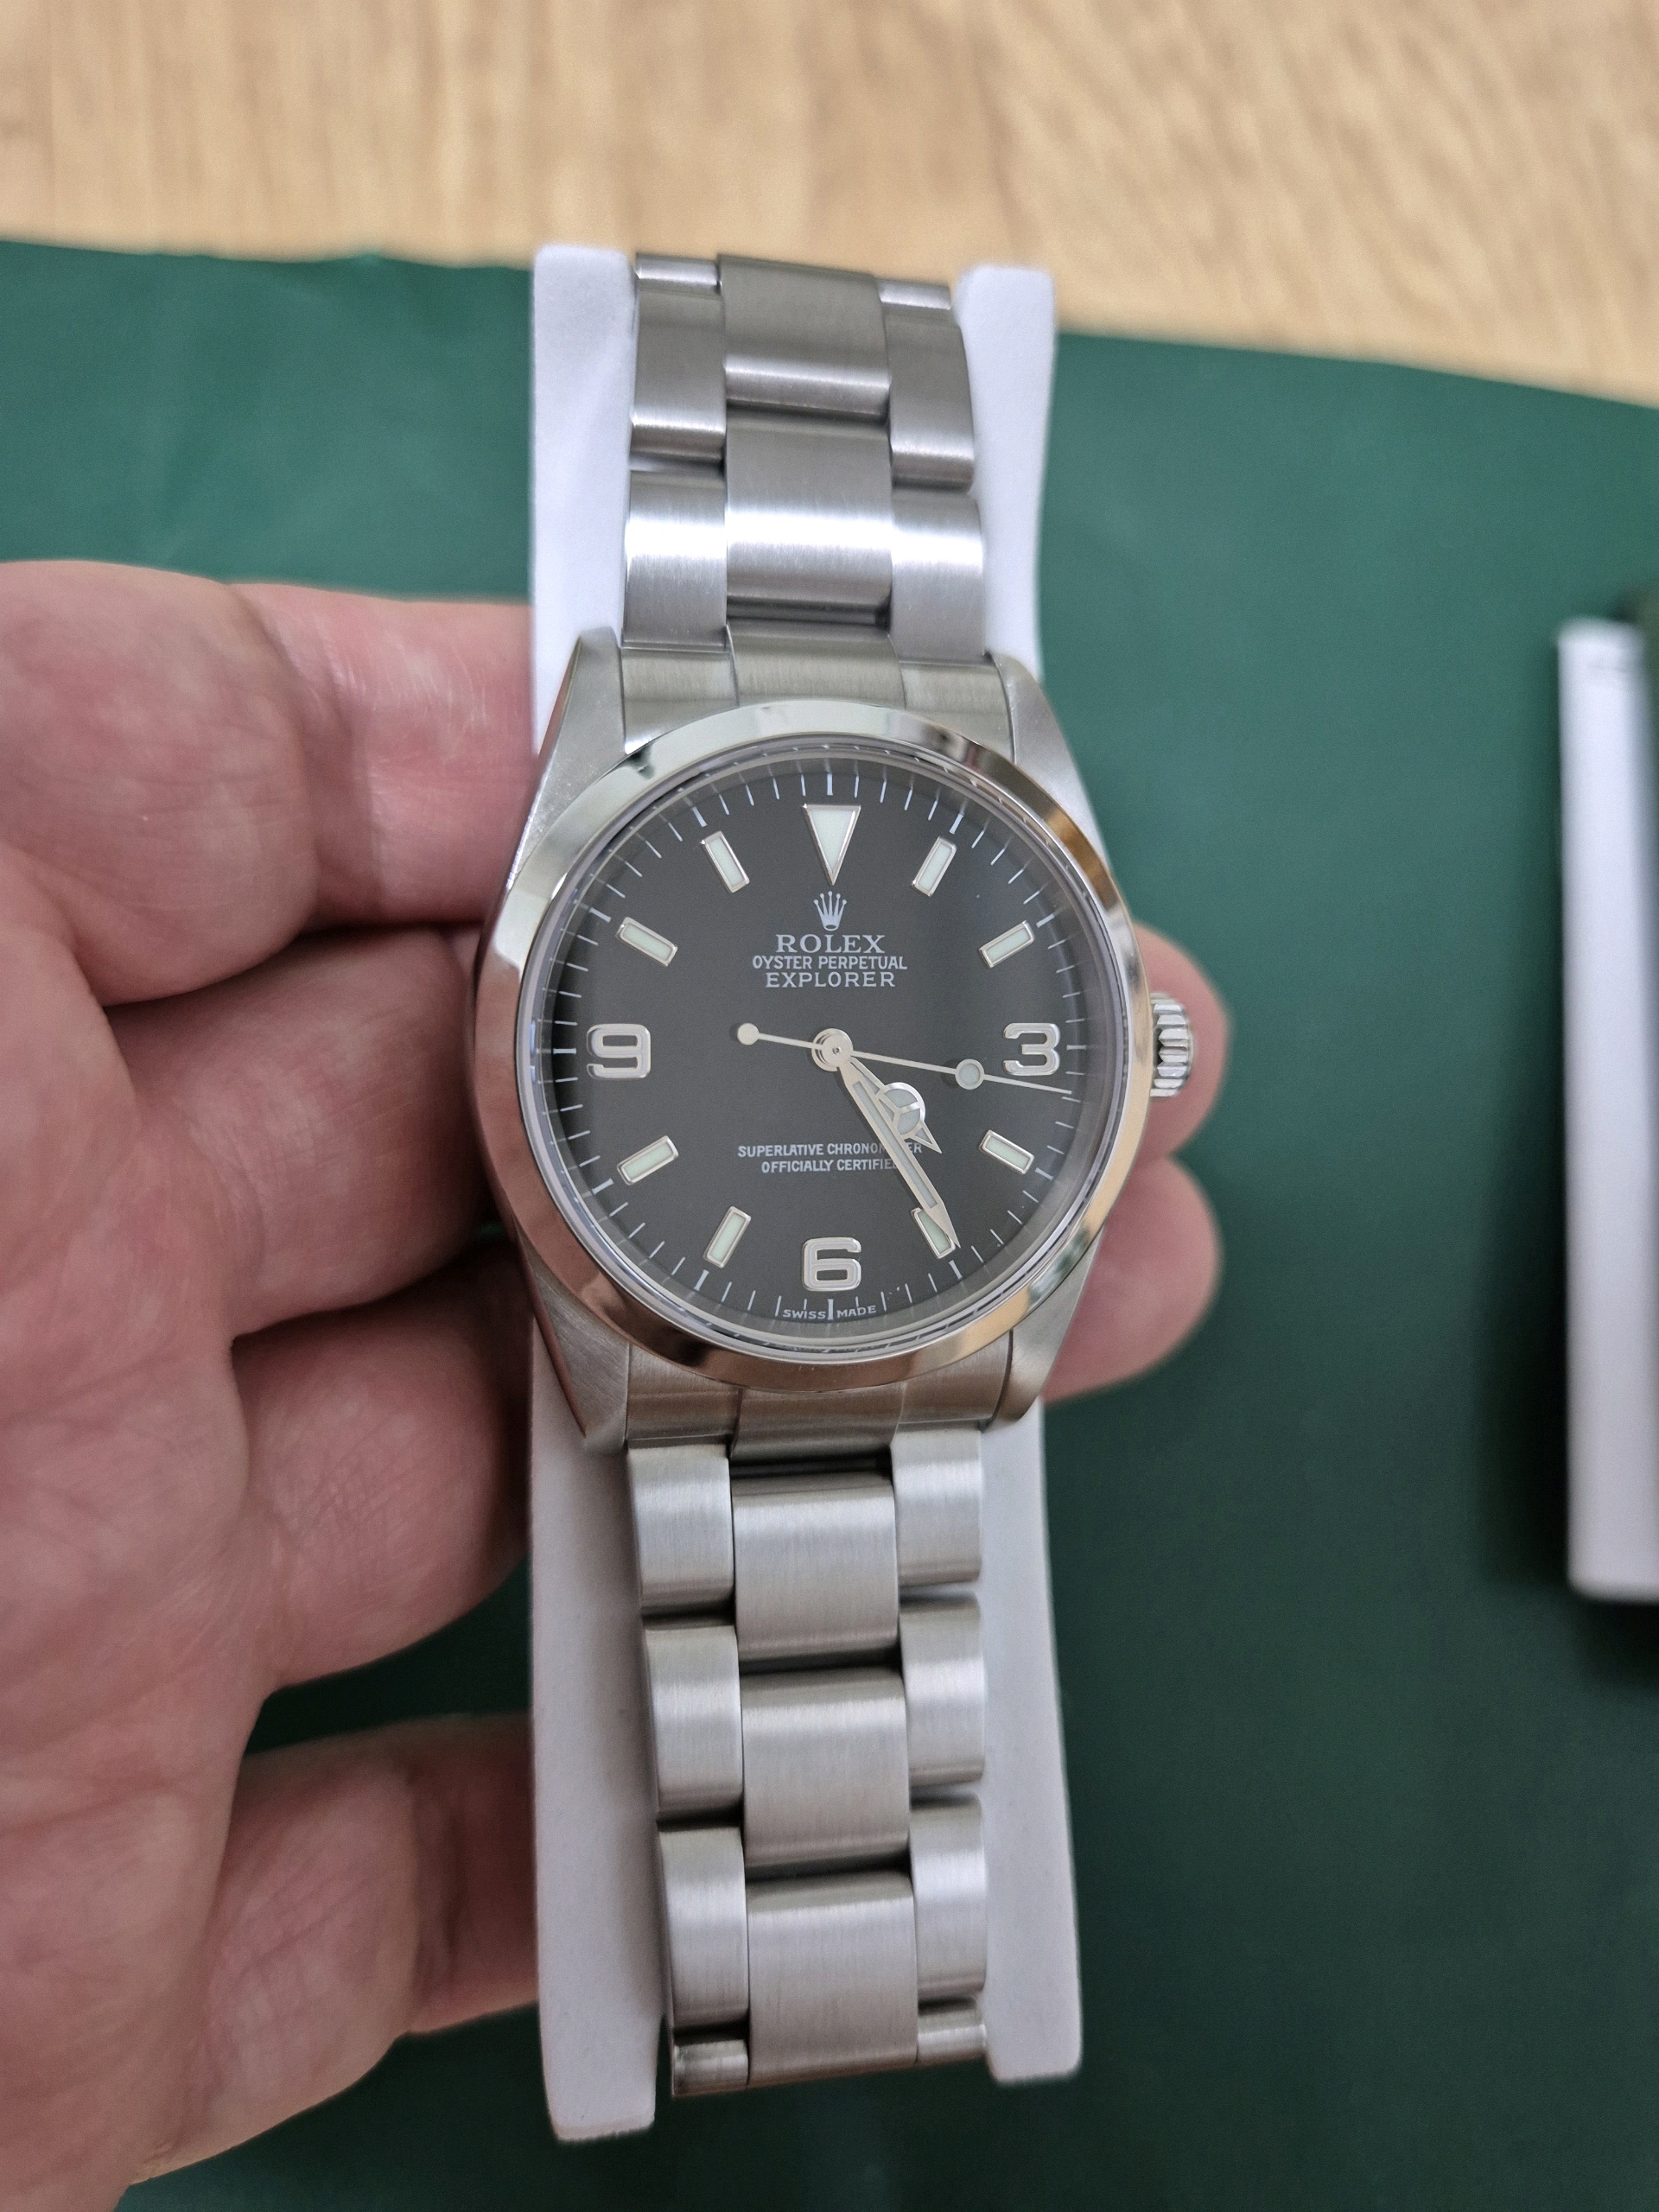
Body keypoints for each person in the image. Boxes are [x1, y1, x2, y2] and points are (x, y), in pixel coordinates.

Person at [0, 562, 1226, 2205]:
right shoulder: (664, 794)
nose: (838, 1049)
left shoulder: (866, 784)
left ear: (1132, 1049)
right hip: (680, 1316)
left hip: (853, 1306)